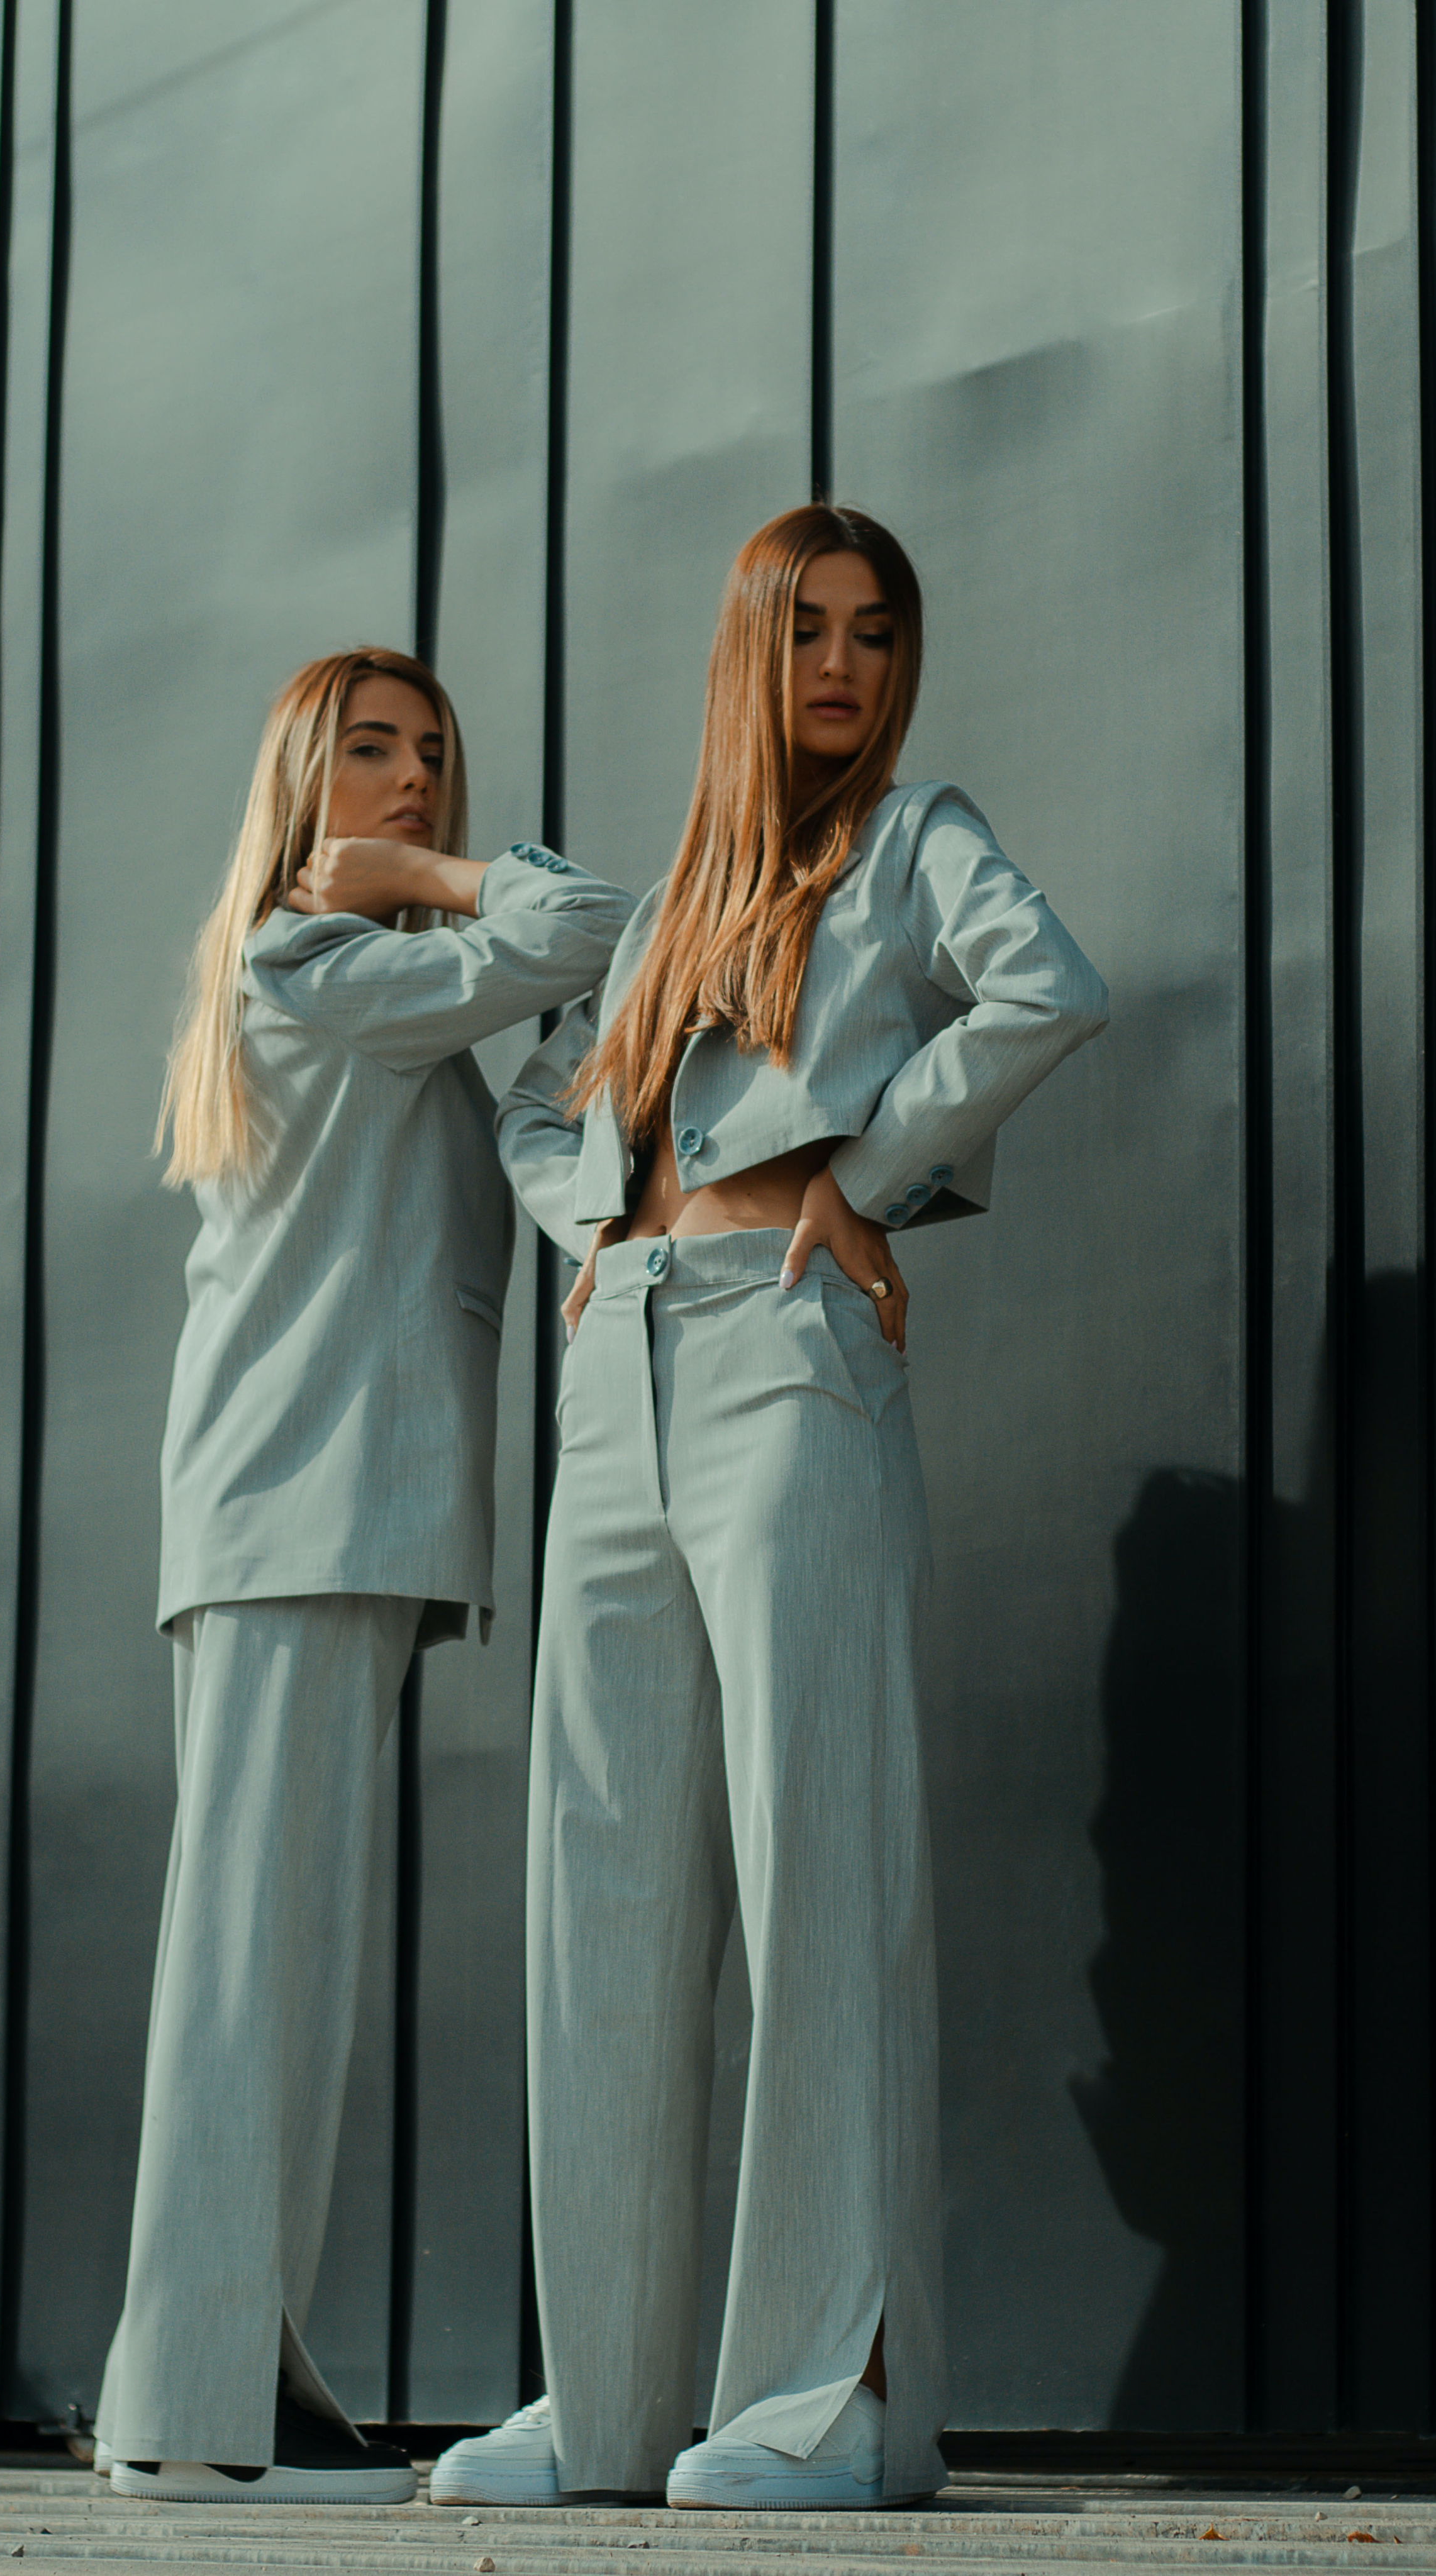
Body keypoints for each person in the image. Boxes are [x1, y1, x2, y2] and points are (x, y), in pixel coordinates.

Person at [433, 507, 1108, 2513]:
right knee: (605, 1880)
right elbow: (537, 1101)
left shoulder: (917, 842)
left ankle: (831, 2399)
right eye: (803, 631)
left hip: (791, 1353)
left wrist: (866, 1168)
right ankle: (612, 2404)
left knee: (820, 1858)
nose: (839, 664)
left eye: (873, 631)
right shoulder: (661, 912)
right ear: (748, 652)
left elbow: (1044, 988)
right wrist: (593, 1223)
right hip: (619, 1358)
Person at [92, 648, 634, 2504]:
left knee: (276, 1963)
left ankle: (230, 2383)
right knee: (252, 1967)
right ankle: (182, 2413)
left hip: (314, 1525)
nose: (411, 782)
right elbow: (584, 924)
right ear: (304, 782)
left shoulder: (358, 989)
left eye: (433, 760)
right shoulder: (316, 967)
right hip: (291, 1517)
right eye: (372, 755)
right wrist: (431, 874)